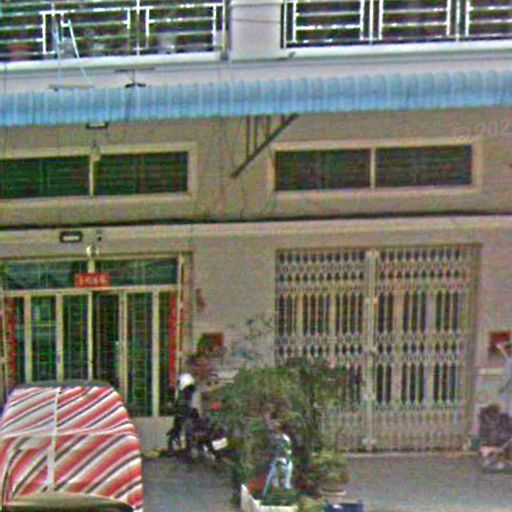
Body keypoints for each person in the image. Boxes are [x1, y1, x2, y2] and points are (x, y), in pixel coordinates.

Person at [167, 373, 201, 456]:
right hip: (192, 415)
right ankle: (189, 448)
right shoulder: (190, 391)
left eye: (179, 382)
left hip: (190, 415)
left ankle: (191, 448)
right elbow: (181, 403)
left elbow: (184, 405)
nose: (178, 385)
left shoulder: (188, 392)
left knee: (187, 429)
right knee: (187, 428)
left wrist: (175, 408)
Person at [497, 341, 512, 417]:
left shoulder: (510, 360)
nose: (509, 351)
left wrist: (503, 387)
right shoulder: (509, 359)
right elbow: (499, 346)